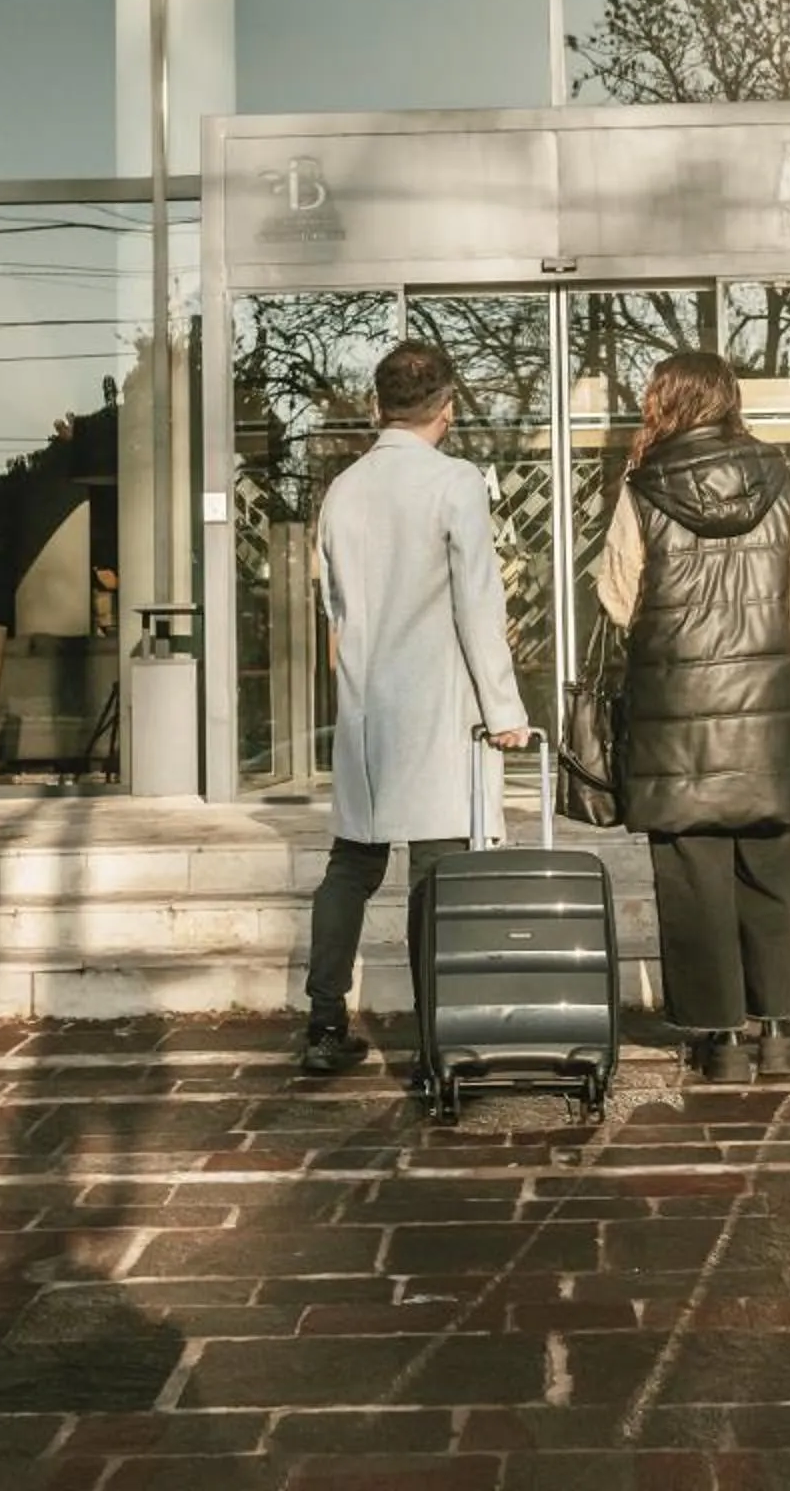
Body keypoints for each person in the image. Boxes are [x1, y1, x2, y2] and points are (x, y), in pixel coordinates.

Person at [596, 350, 790, 1085]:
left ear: (665, 402)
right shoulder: (781, 479)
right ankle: (780, 1026)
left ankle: (718, 1039)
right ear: (729, 401)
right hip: (767, 708)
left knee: (693, 872)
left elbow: (618, 596)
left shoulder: (643, 485)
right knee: (768, 863)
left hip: (679, 717)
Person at [297, 340, 531, 1076]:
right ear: (448, 408)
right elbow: (477, 604)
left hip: (368, 706)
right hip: (438, 704)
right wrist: (504, 709)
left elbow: (334, 605)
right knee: (439, 869)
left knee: (350, 866)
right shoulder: (456, 482)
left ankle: (325, 1024)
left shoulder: (344, 489)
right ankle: (438, 1039)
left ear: (377, 406)